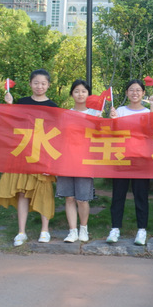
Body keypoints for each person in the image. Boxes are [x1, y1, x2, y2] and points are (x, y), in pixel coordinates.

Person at [0, 69, 58, 246]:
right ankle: (21, 231)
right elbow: (11, 125)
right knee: (22, 191)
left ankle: (45, 230)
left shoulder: (53, 107)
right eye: (36, 83)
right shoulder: (22, 103)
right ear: (30, 84)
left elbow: (56, 133)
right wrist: (9, 107)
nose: (39, 86)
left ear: (48, 85)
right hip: (23, 153)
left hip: (43, 154)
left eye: (43, 83)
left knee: (44, 191)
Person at [107, 79, 153, 246]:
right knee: (118, 195)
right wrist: (112, 120)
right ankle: (115, 228)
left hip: (141, 159)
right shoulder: (120, 111)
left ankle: (141, 230)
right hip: (122, 158)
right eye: (131, 90)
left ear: (143, 93)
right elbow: (112, 133)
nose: (134, 93)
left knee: (141, 195)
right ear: (126, 93)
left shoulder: (148, 112)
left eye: (138, 90)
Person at [60, 79, 98, 243]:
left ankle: (84, 228)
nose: (80, 94)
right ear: (72, 94)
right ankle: (72, 231)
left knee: (82, 198)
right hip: (67, 160)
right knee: (69, 197)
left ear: (88, 94)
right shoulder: (65, 114)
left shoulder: (95, 114)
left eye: (83, 91)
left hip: (86, 162)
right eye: (76, 91)